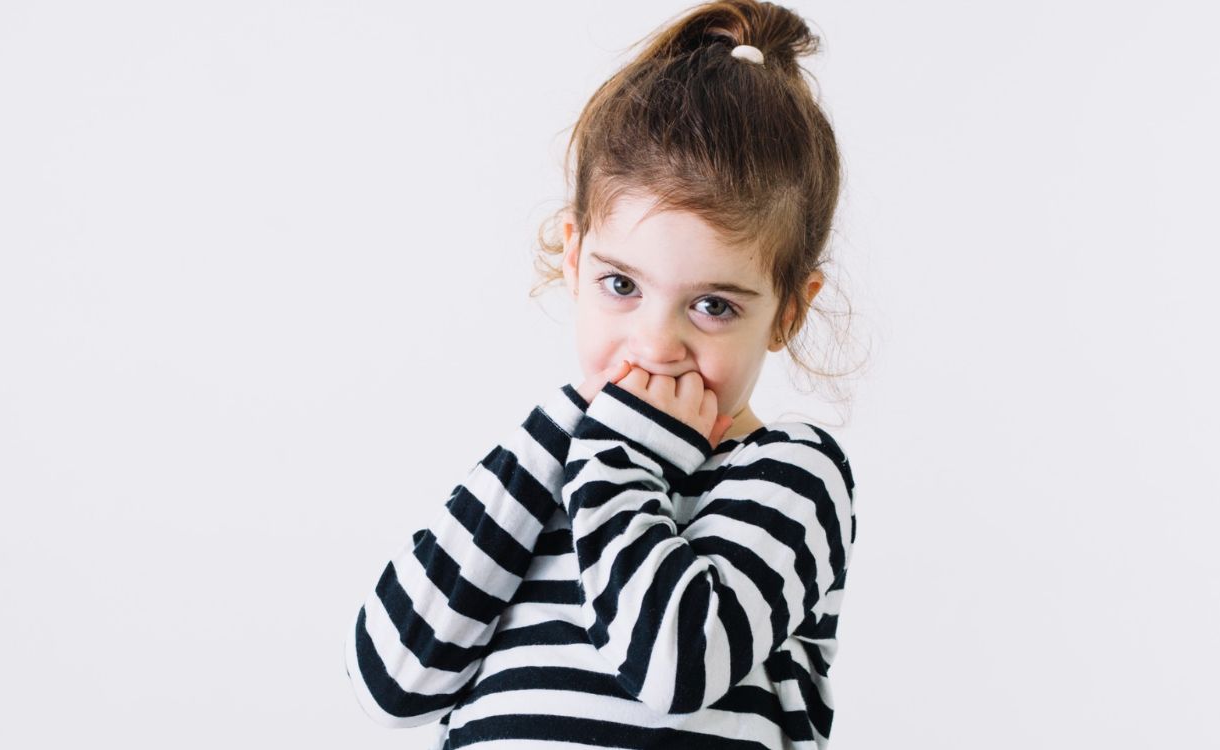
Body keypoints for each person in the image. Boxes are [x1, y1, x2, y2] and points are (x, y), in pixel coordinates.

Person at [344, 1, 858, 747]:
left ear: (788, 312)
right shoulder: (539, 469)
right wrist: (568, 432)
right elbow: (391, 680)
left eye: (713, 306)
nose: (654, 344)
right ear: (575, 256)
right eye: (622, 285)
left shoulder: (791, 475)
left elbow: (671, 672)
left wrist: (620, 456)